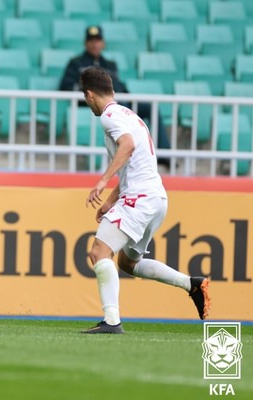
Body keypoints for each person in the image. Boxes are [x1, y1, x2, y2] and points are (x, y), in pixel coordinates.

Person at [80, 67, 210, 334]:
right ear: (112, 90)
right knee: (128, 264)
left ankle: (112, 322)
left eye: (86, 98)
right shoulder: (131, 116)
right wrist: (110, 201)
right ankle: (192, 284)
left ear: (89, 95)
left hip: (139, 199)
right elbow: (133, 164)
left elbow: (127, 147)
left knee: (98, 253)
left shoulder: (108, 117)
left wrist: (103, 180)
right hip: (156, 198)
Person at [59, 26, 170, 167]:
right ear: (85, 43)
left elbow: (119, 87)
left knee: (149, 108)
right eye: (91, 40)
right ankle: (129, 149)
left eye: (98, 40)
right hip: (95, 106)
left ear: (103, 43)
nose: (95, 44)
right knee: (122, 105)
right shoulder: (76, 64)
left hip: (118, 103)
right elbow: (66, 86)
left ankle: (164, 156)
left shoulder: (110, 65)